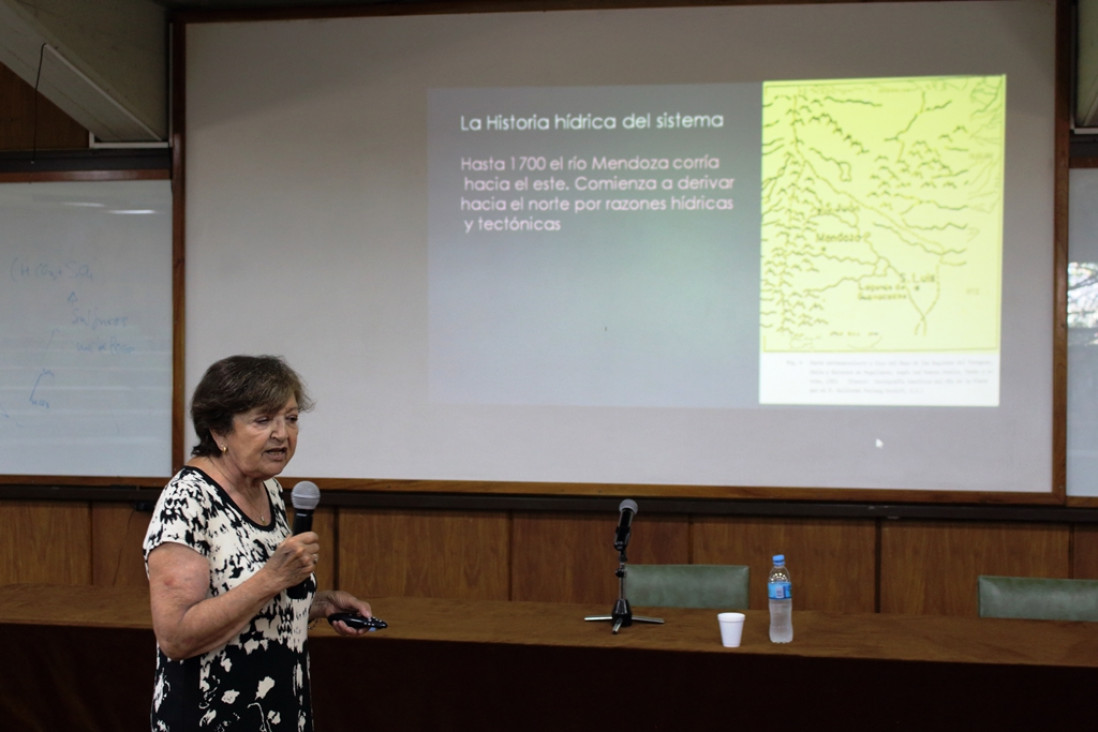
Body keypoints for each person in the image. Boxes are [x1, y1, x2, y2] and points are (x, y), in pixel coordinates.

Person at [143, 354, 373, 731]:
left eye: (292, 418)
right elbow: (177, 636)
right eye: (263, 420)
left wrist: (321, 604)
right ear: (219, 432)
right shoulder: (188, 500)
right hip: (212, 718)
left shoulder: (264, 487)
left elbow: (250, 602)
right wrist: (273, 578)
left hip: (278, 713)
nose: (282, 434)